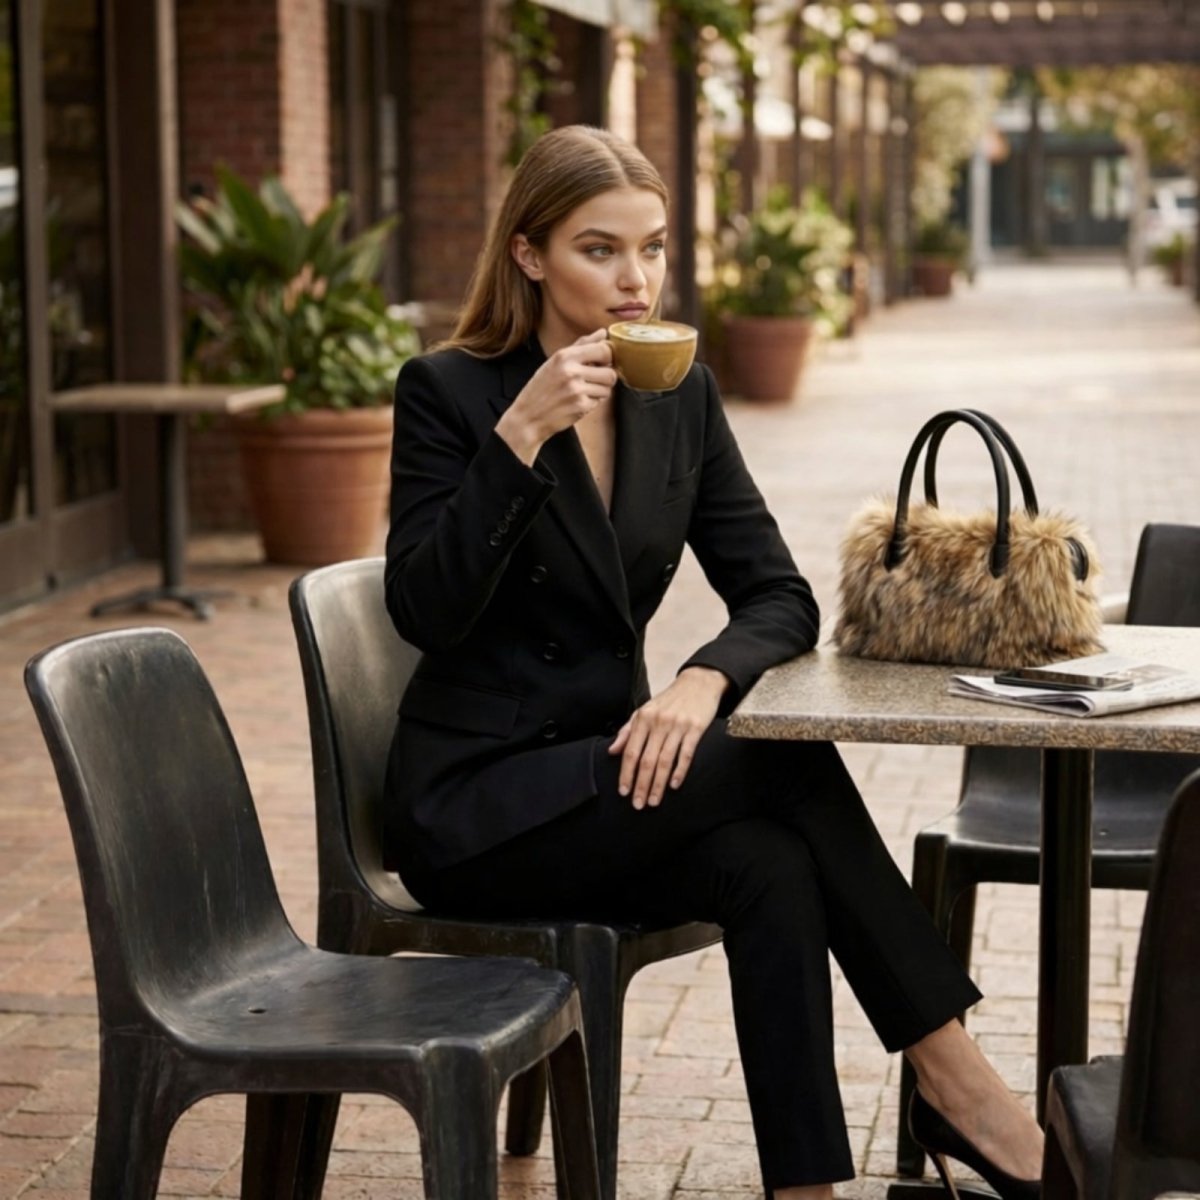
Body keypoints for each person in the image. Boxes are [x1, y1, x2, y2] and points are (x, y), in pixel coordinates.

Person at [382, 124, 1043, 1200]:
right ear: (529, 253)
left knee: (772, 865)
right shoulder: (451, 393)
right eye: (601, 249)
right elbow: (424, 609)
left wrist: (701, 679)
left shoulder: (674, 392)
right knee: (782, 759)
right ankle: (957, 1082)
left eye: (652, 249)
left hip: (613, 773)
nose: (634, 279)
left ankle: (807, 1187)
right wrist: (519, 441)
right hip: (478, 808)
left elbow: (778, 593)